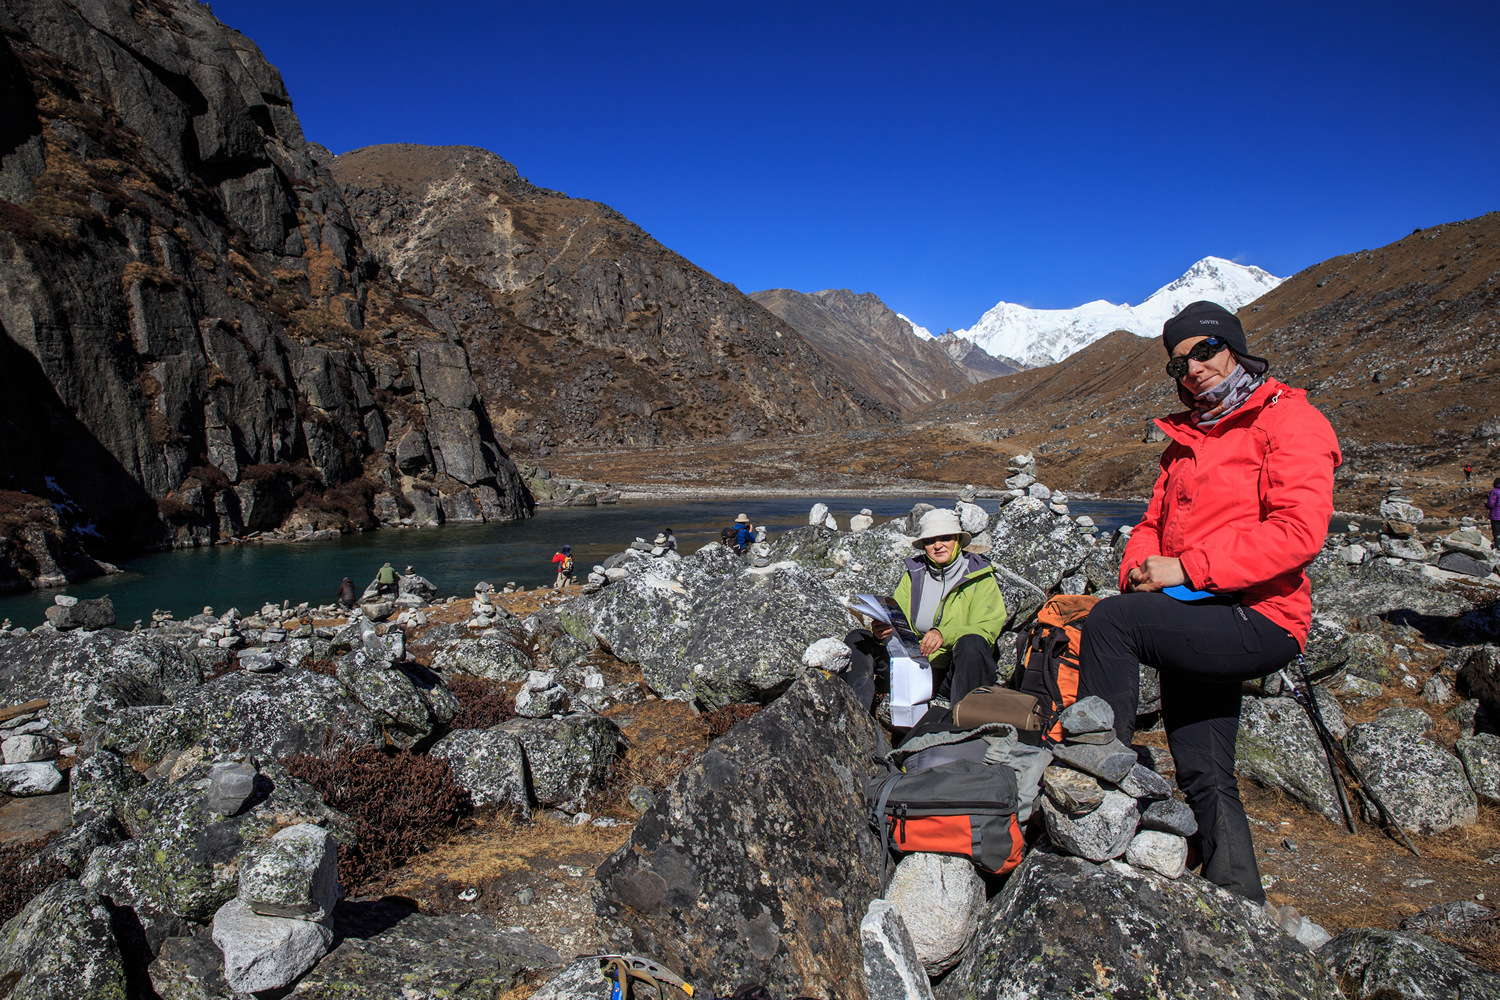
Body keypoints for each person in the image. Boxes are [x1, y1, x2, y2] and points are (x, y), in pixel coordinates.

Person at [1075, 300, 1341, 904]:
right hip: (1195, 614)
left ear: (1235, 349)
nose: (1193, 368)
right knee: (1205, 770)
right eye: (1178, 363)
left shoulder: (1290, 421)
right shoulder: (1186, 440)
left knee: (1112, 625)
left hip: (1258, 616)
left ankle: (1097, 783)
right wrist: (1137, 569)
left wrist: (1188, 567)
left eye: (1204, 351)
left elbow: (1299, 533)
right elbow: (1150, 524)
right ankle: (1240, 899)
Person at [842, 508, 1007, 717]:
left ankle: (964, 720)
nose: (938, 545)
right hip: (909, 668)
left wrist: (943, 634)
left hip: (948, 672)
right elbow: (898, 617)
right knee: (858, 639)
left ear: (957, 540)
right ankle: (856, 714)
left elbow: (986, 630)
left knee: (972, 644)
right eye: (930, 541)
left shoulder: (980, 578)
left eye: (945, 538)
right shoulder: (914, 574)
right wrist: (882, 634)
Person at [1487, 477, 1500, 543]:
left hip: (1496, 516)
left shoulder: (1494, 491)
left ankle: (1498, 546)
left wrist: (1486, 505)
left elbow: (1491, 505)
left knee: (1497, 532)